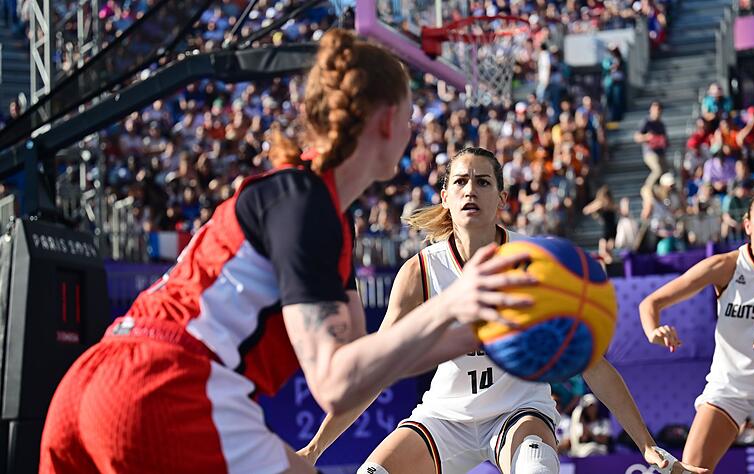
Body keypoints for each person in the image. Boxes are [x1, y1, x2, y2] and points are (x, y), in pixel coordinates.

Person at [39, 30, 537, 474]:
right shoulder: (309, 206)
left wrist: (479, 334)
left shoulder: (308, 206)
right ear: (387, 122)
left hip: (92, 381)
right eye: (409, 117)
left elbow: (364, 366)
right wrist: (454, 304)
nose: (412, 131)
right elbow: (336, 383)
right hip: (168, 384)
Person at [298, 147, 707, 474]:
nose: (470, 190)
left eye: (482, 181)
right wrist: (313, 450)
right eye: (460, 182)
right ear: (445, 197)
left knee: (537, 468)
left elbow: (591, 363)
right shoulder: (419, 272)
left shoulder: (538, 262)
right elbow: (374, 372)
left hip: (518, 411)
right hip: (445, 416)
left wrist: (649, 445)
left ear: (502, 198)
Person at [639, 188, 754, 472]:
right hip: (729, 388)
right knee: (688, 471)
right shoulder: (725, 266)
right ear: (747, 224)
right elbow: (651, 302)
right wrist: (654, 330)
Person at [582, 185, 617, 263]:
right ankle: (606, 269)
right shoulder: (600, 205)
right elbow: (586, 210)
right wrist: (597, 205)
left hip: (612, 231)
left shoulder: (611, 205)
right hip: (605, 231)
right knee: (602, 253)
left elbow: (616, 209)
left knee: (608, 252)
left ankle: (611, 268)